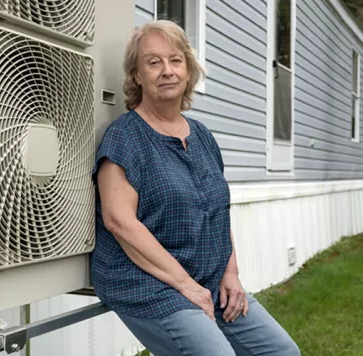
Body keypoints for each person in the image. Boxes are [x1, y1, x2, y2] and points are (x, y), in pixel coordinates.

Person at [91, 20, 301, 356]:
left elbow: (218, 208)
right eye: (153, 62)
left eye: (176, 60)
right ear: (136, 76)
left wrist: (230, 273)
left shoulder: (202, 136)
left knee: (281, 352)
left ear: (189, 71)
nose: (167, 71)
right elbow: (120, 223)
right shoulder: (124, 138)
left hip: (207, 277)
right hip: (146, 283)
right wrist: (189, 287)